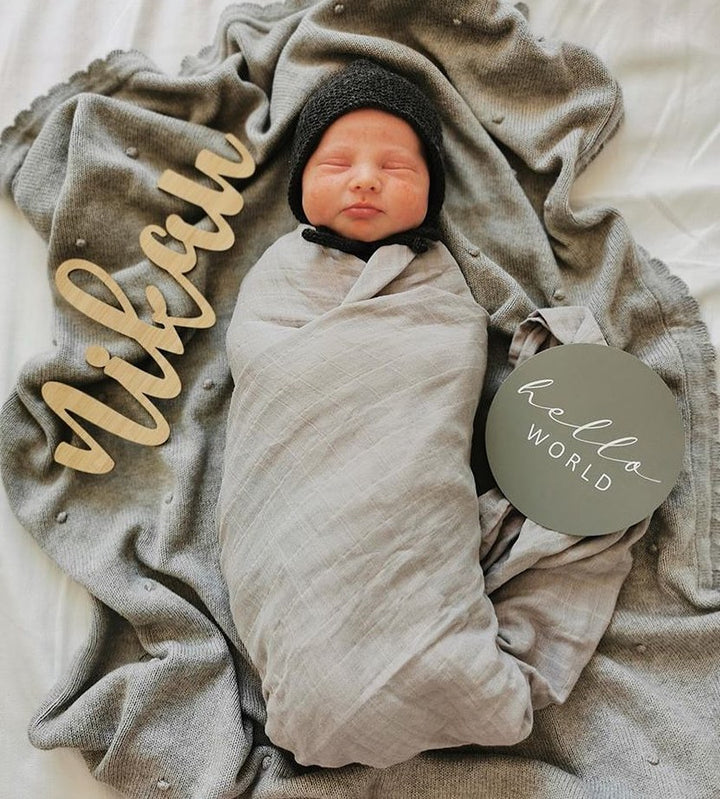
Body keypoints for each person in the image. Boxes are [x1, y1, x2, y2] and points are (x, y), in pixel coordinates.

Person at [217, 59, 642, 770]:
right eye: (337, 161)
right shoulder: (277, 281)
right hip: (295, 504)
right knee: (304, 580)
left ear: (432, 193)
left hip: (404, 500)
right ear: (299, 186)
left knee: (418, 532)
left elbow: (441, 373)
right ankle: (333, 674)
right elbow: (268, 371)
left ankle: (437, 656)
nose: (364, 178)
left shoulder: (439, 285)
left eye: (396, 166)